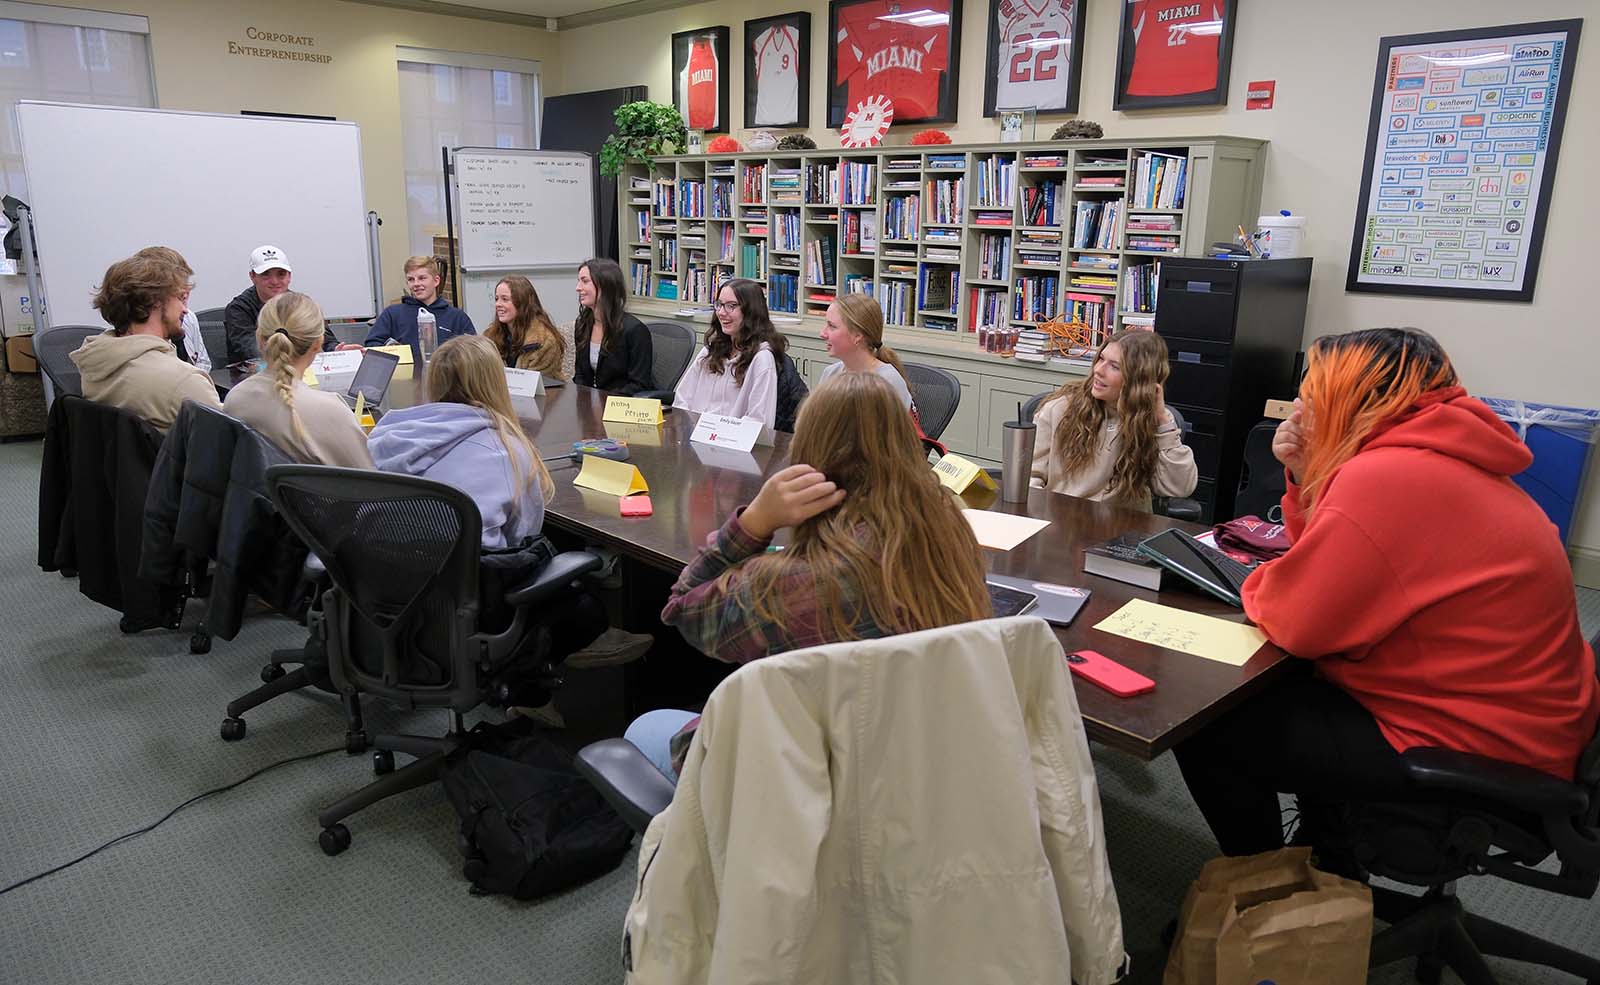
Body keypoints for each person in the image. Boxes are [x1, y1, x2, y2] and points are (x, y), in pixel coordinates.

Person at [1173, 327, 1600, 860]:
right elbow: (1344, 567)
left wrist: (1259, 584)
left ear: (1350, 399)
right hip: (1526, 717)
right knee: (1283, 690)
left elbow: (1299, 622)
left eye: (1313, 395)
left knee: (1210, 724)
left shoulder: (1388, 476)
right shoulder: (1440, 451)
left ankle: (1268, 892)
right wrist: (1309, 480)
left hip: (1481, 745)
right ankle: (1332, 855)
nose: (1299, 410)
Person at [627, 371, 993, 778]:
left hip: (793, 784)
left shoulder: (783, 585)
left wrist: (752, 523)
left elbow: (682, 607)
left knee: (645, 728)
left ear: (809, 460)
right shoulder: (951, 542)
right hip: (906, 778)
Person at [367, 334, 547, 550]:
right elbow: (524, 535)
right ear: (496, 383)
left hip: (387, 575)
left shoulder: (389, 437)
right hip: (476, 578)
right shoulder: (509, 452)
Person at [1030, 329, 1197, 511]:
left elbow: (1180, 489)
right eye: (1101, 359)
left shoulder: (1154, 421)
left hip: (1124, 529)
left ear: (1138, 380)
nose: (1098, 370)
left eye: (1114, 367)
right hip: (1063, 523)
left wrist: (1163, 421)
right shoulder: (1060, 409)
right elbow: (1030, 477)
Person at [70, 253, 221, 431]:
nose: (185, 309)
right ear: (155, 302)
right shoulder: (184, 381)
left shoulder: (93, 362)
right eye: (180, 298)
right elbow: (229, 445)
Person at [221, 291, 373, 469]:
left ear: (260, 339)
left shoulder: (235, 399)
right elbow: (372, 480)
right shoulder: (330, 410)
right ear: (319, 343)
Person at [673, 278, 783, 427]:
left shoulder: (761, 358)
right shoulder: (711, 350)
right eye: (719, 305)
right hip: (695, 436)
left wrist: (716, 433)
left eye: (731, 306)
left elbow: (758, 422)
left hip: (731, 443)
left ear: (751, 311)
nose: (721, 313)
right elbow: (682, 399)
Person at [223, 245, 335, 366]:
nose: (275, 281)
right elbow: (250, 350)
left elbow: (325, 338)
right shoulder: (238, 309)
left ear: (289, 276)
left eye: (281, 274)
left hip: (302, 372)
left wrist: (337, 349)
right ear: (252, 277)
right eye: (266, 274)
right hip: (252, 376)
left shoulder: (302, 305)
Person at [363, 255, 476, 363]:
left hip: (445, 379)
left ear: (436, 281)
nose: (416, 284)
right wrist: (394, 351)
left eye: (422, 278)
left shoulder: (457, 317)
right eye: (411, 279)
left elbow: (473, 352)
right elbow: (372, 345)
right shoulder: (393, 314)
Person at [816, 292, 914, 410]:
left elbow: (895, 428)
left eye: (832, 326)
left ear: (857, 336)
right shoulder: (831, 373)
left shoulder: (888, 381)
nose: (822, 334)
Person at [573, 257, 655, 395]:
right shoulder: (583, 324)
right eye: (578, 281)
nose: (578, 288)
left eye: (585, 281)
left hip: (621, 406)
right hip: (591, 405)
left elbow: (639, 384)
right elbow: (581, 375)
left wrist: (603, 402)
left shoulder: (634, 330)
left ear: (605, 285)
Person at [134, 246, 209, 372]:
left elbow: (202, 361)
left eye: (186, 296)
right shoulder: (130, 335)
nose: (184, 308)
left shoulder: (188, 318)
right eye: (180, 296)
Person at [482, 274, 566, 380]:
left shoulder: (545, 342)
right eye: (497, 299)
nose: (498, 304)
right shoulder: (490, 338)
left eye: (505, 299)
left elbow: (538, 387)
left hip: (545, 395)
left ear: (522, 303)